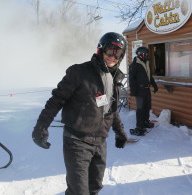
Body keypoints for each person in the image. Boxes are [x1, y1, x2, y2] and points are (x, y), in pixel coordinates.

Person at [32, 32, 128, 195]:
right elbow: (56, 100)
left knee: (94, 188)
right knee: (79, 191)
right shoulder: (79, 72)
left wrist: (120, 132)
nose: (113, 56)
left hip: (100, 143)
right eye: (110, 50)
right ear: (100, 50)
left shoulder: (112, 79)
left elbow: (110, 109)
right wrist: (41, 126)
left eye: (118, 53)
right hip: (77, 141)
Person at [129, 46, 158, 136]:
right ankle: (139, 127)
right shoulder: (135, 65)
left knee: (147, 107)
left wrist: (154, 85)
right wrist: (133, 91)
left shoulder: (146, 63)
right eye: (145, 54)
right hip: (139, 91)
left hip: (146, 89)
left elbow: (150, 76)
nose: (147, 55)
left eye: (147, 54)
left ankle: (145, 122)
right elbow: (131, 79)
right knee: (140, 109)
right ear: (140, 54)